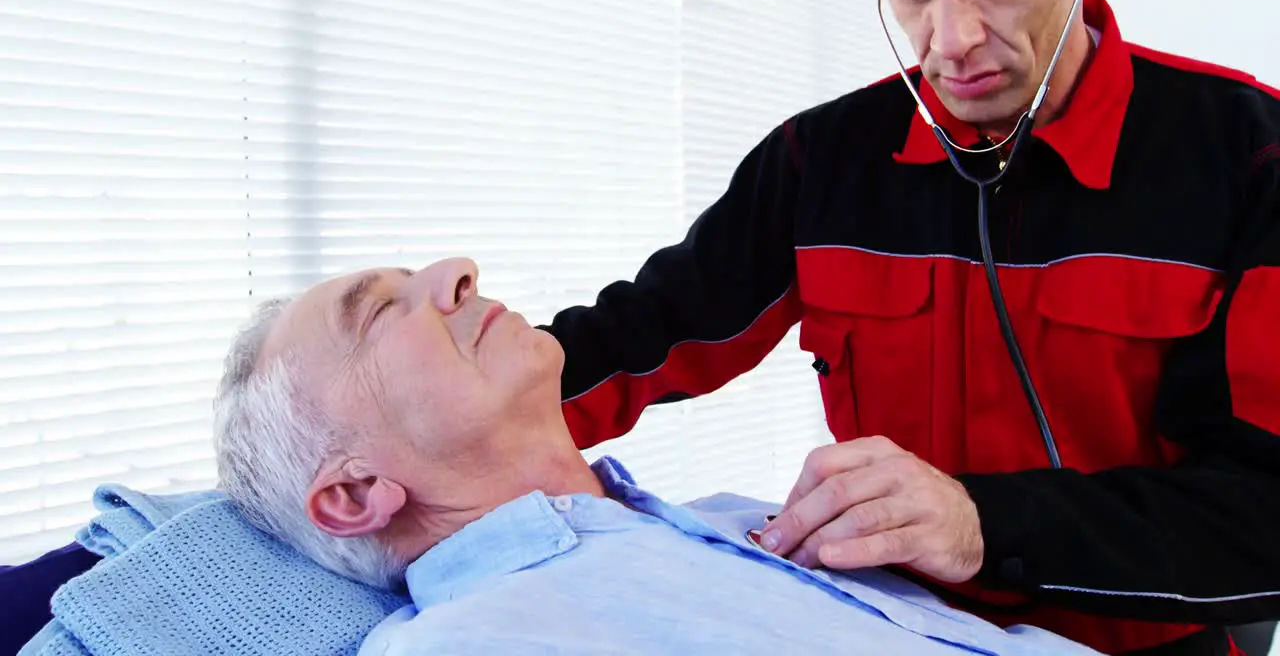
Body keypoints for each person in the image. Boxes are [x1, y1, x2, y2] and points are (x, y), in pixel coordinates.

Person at [536, 0, 1280, 655]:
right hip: (884, 627)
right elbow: (640, 335)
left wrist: (979, 525)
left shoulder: (1251, 158)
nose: (949, 39)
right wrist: (442, 401)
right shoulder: (818, 159)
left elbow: (1261, 514)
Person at [211, 257, 1102, 656]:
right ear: (357, 490)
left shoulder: (740, 520)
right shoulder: (476, 641)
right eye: (380, 313)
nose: (457, 271)